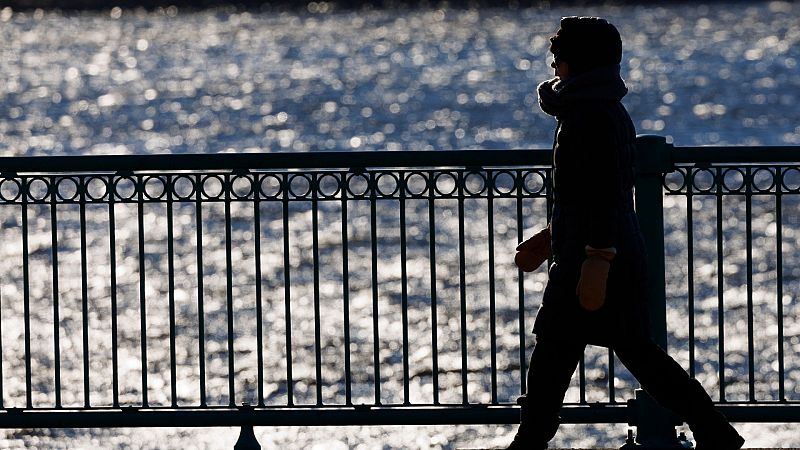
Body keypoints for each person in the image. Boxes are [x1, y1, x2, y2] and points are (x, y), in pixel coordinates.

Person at [507, 17, 745, 450]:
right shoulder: (595, 108)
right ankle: (715, 431)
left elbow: (600, 190)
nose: (553, 64)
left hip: (597, 256)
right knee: (617, 353)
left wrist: (597, 257)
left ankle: (530, 442)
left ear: (577, 63)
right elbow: (593, 192)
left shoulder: (590, 114)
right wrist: (550, 238)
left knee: (566, 352)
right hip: (597, 250)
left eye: (558, 56)